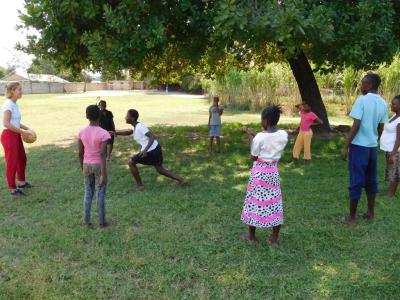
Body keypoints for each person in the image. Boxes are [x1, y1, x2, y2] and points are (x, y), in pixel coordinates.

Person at [341, 73, 388, 224]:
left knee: (356, 180)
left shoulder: (362, 100)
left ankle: (352, 218)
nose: (361, 86)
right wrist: (375, 139)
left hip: (359, 147)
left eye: (363, 83)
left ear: (369, 85)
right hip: (372, 148)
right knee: (371, 180)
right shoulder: (383, 102)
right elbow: (381, 126)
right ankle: (370, 213)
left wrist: (346, 146)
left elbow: (356, 126)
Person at [241, 105, 288, 245]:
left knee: (254, 202)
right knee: (274, 202)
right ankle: (274, 238)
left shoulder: (260, 137)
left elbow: (254, 157)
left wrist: (252, 138)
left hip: (259, 173)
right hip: (273, 172)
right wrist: (256, 135)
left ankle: (251, 236)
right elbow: (270, 141)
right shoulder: (283, 135)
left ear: (265, 121)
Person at [112, 109, 184, 190]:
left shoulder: (139, 127)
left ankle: (139, 185)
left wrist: (145, 150)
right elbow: (129, 132)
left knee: (131, 163)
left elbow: (152, 137)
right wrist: (115, 133)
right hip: (155, 148)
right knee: (160, 170)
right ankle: (180, 179)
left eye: (127, 116)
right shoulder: (136, 126)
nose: (125, 117)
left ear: (132, 118)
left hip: (151, 150)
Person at [77, 105, 110, 227]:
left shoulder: (81, 132)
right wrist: (104, 174)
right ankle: (102, 222)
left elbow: (80, 153)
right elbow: (102, 154)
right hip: (98, 166)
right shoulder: (104, 133)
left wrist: (82, 168)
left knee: (88, 193)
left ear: (87, 116)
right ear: (100, 115)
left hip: (86, 164)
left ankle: (86, 220)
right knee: (100, 194)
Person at [1, 82, 33, 197]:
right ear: (12, 91)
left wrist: (27, 128)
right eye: (19, 89)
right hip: (9, 136)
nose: (21, 91)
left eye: (21, 89)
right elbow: (6, 123)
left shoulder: (14, 104)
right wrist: (23, 132)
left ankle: (22, 182)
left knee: (22, 159)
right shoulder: (8, 105)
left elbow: (16, 122)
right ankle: (13, 189)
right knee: (12, 162)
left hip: (15, 134)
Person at [380, 95, 400, 198]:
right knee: (391, 170)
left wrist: (393, 153)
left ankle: (391, 194)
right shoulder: (394, 116)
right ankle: (390, 191)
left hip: (394, 150)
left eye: (394, 104)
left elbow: (399, 139)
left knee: (395, 172)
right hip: (388, 148)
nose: (391, 105)